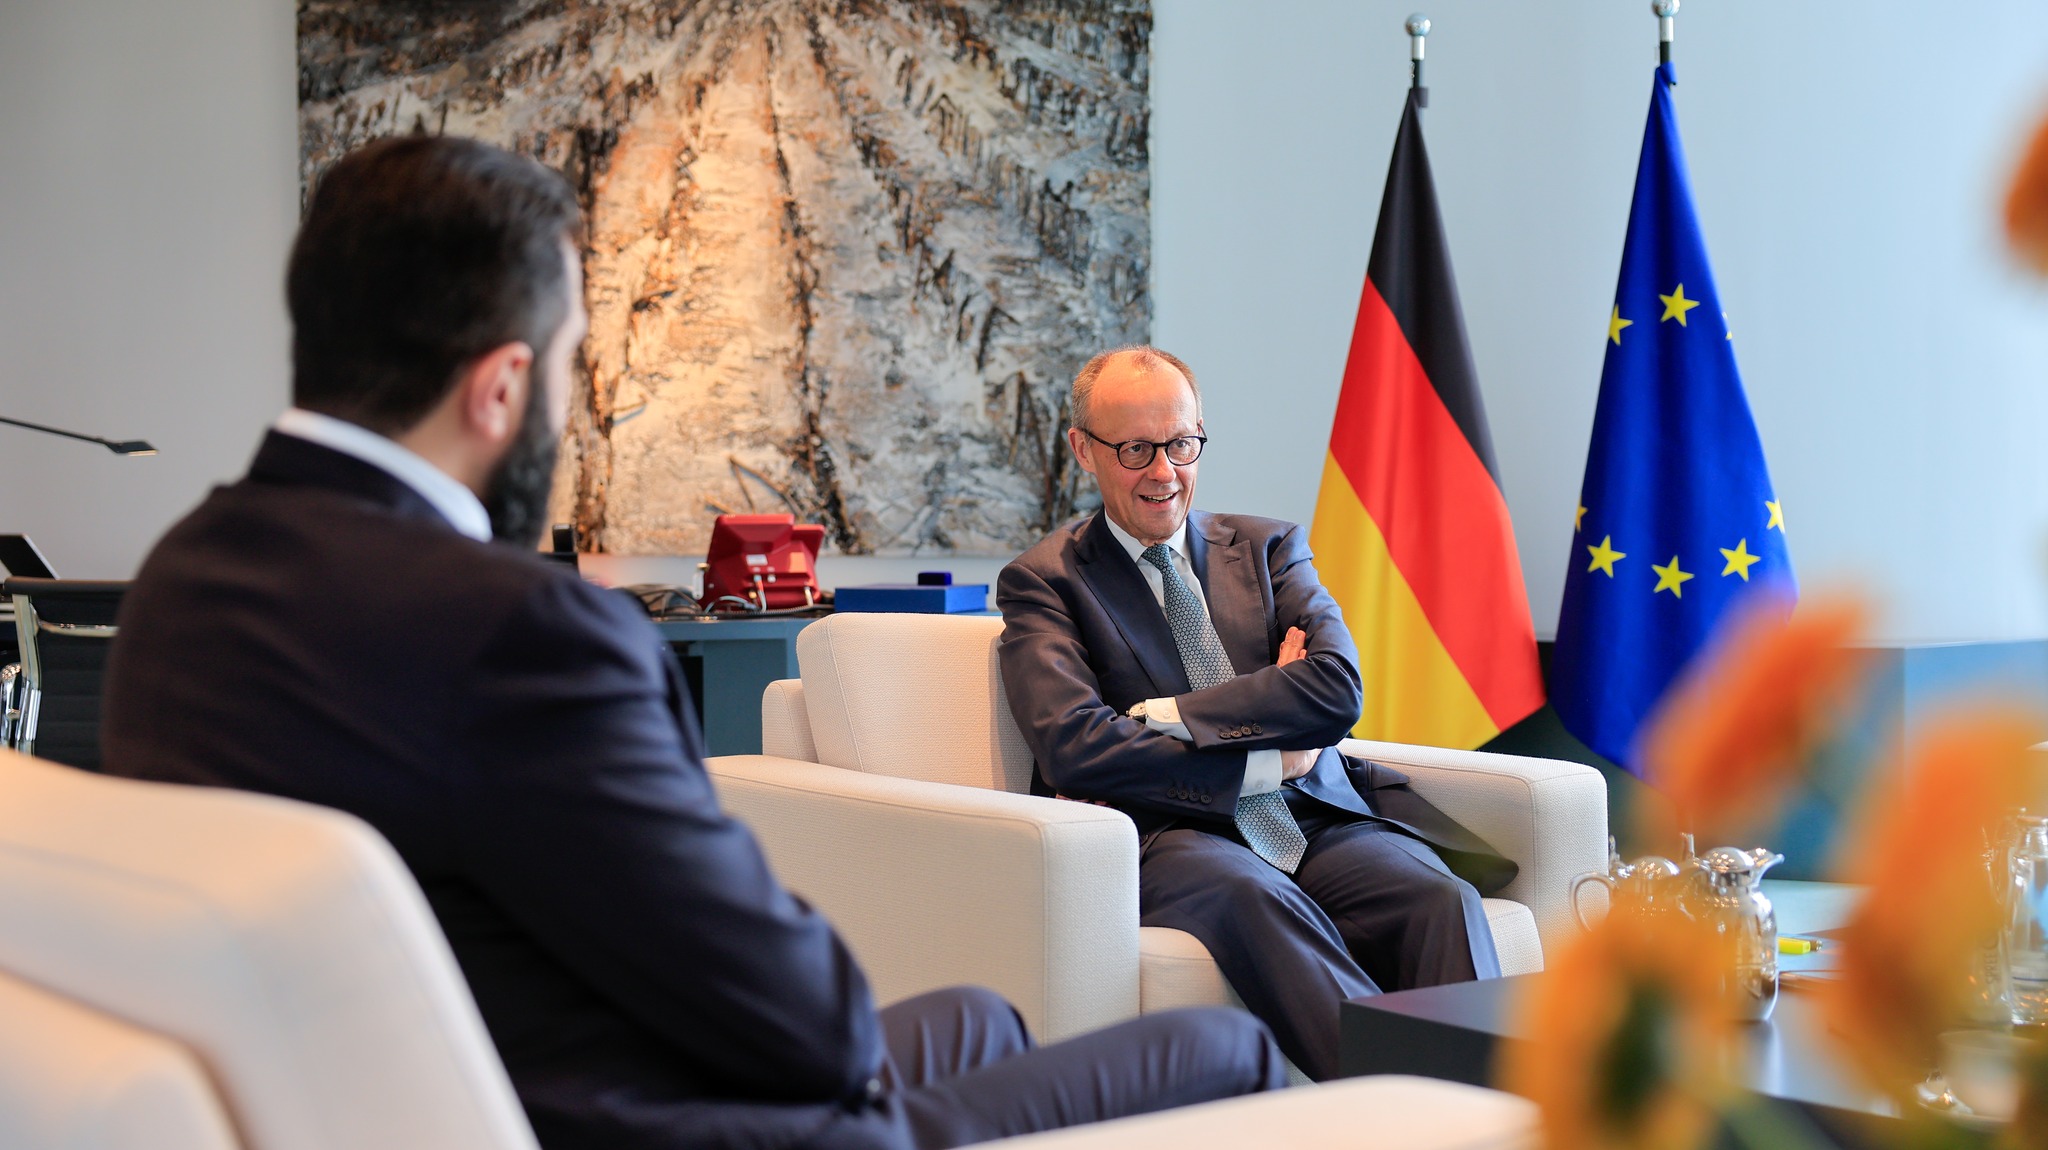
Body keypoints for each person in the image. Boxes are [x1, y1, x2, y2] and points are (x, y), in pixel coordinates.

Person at [100, 138, 1284, 1150]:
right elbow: (810, 1027)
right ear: (500, 389)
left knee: (978, 1015)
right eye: (568, 366)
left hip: (446, 1085)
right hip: (644, 1120)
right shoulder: (519, 634)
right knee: (1223, 1048)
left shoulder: (183, 580)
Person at [996, 346, 1517, 1081]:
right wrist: (1268, 742)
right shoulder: (1045, 582)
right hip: (1172, 834)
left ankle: (1493, 1112)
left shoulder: (1268, 546)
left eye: (1181, 444)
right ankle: (1394, 1114)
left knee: (1439, 899)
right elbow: (1073, 746)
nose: (1163, 472)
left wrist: (1167, 714)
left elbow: (1336, 690)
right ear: (1084, 450)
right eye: (1135, 450)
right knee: (1255, 896)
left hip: (1311, 815)